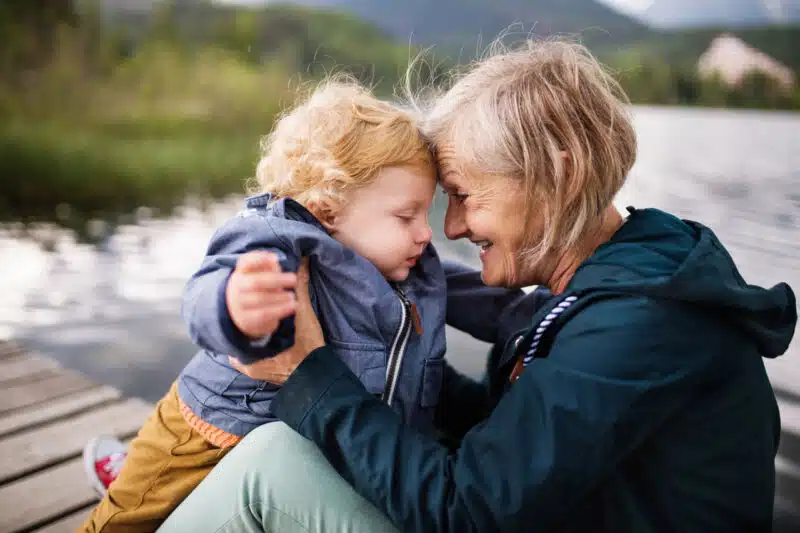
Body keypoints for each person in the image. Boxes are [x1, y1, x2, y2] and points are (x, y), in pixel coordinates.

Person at [156, 38, 797, 533]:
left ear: (557, 177)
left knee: (269, 467)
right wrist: (399, 374)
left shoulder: (642, 324)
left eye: (463, 196)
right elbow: (522, 436)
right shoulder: (624, 281)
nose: (452, 227)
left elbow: (470, 512)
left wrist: (308, 373)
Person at [78, 77, 539, 533]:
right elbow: (206, 289)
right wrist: (234, 307)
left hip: (313, 442)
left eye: (425, 212)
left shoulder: (412, 264)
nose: (426, 231)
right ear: (329, 209)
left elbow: (487, 301)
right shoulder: (280, 241)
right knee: (128, 516)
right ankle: (127, 480)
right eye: (406, 216)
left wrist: (549, 313)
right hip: (206, 435)